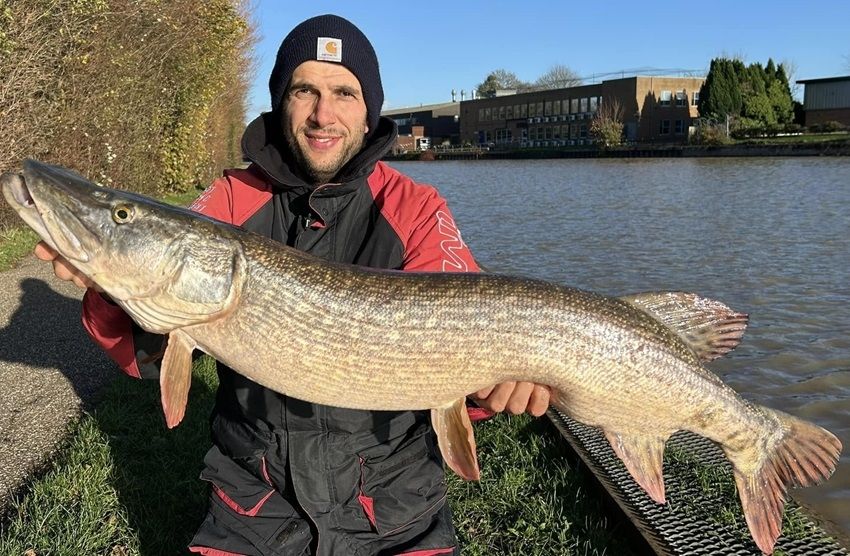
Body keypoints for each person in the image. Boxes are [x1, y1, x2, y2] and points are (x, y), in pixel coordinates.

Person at [35, 14, 550, 555]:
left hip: (395, 507)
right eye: (305, 90)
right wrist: (109, 289)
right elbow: (144, 348)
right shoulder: (233, 199)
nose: (323, 114)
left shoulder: (415, 208)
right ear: (282, 99)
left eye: (344, 93)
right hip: (255, 503)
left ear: (368, 107)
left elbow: (464, 333)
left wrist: (487, 390)